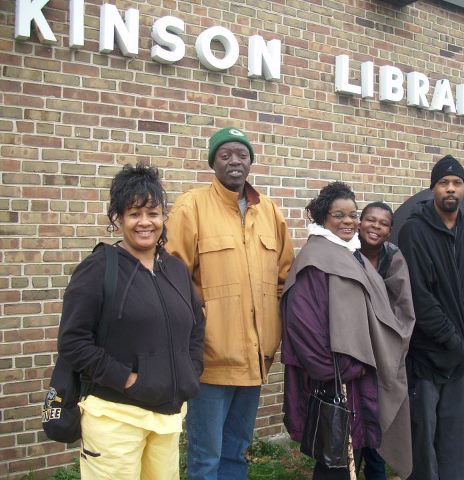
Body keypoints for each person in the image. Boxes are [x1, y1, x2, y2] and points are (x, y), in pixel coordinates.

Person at [57, 163, 205, 479]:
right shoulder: (98, 269)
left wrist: (190, 370)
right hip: (115, 417)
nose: (144, 223)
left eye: (152, 213)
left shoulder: (175, 270)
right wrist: (128, 379)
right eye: (134, 214)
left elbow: (195, 326)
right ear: (118, 219)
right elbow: (73, 342)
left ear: (163, 217)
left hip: (167, 416)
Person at [165, 127, 294, 479]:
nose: (235, 161)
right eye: (226, 155)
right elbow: (173, 278)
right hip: (211, 357)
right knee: (207, 457)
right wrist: (201, 322)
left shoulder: (269, 211)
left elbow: (285, 277)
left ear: (251, 161)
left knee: (237, 451)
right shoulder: (191, 207)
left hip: (255, 359)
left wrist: (273, 331)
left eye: (241, 154)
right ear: (213, 163)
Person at [281, 182, 414, 480]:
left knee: (353, 457)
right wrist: (346, 367)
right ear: (322, 217)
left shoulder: (350, 254)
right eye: (338, 215)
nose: (348, 222)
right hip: (336, 383)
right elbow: (302, 327)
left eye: (352, 215)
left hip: (357, 380)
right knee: (335, 462)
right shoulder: (314, 260)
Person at [398, 155, 464, 480]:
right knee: (423, 438)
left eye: (456, 183)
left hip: (458, 356)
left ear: (463, 189)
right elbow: (419, 298)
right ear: (433, 188)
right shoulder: (414, 232)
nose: (450, 189)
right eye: (444, 183)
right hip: (425, 356)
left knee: (453, 436)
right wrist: (454, 339)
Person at [358, 201, 416, 480]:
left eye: (382, 223)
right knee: (352, 431)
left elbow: (404, 310)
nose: (375, 227)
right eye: (370, 220)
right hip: (352, 354)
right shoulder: (346, 253)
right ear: (359, 223)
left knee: (379, 428)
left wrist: (389, 347)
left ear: (389, 231)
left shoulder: (394, 258)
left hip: (384, 355)